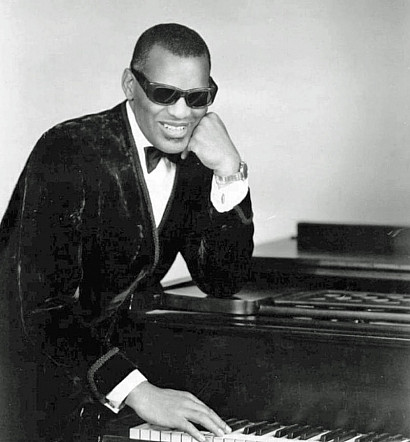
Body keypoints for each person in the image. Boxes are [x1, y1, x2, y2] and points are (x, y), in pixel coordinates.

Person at [0, 23, 254, 441]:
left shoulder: (197, 160)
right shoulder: (68, 150)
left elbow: (222, 281)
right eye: (164, 94)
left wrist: (229, 170)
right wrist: (140, 393)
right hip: (31, 390)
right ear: (130, 85)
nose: (181, 113)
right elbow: (42, 309)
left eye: (197, 98)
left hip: (119, 389)